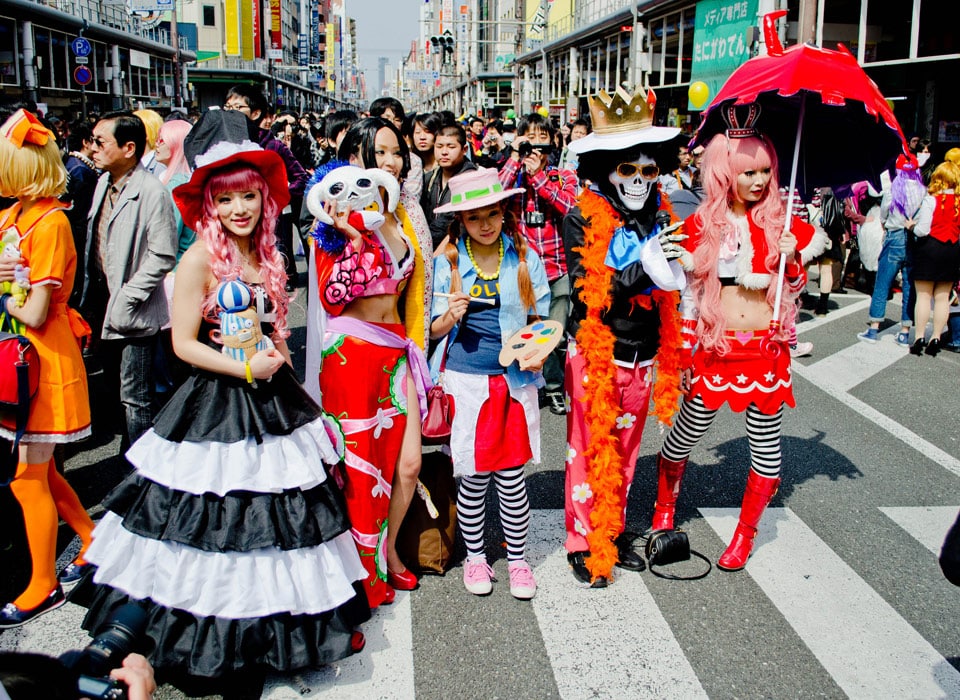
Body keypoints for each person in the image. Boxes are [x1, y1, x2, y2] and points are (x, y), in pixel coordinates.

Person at [74, 111, 370, 685]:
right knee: (208, 523)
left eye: (249, 197)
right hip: (215, 400)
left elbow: (270, 327)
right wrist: (244, 365)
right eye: (228, 198)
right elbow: (183, 345)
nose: (240, 209)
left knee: (272, 524)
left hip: (270, 396)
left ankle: (264, 632)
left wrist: (277, 351)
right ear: (209, 202)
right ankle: (183, 634)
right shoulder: (198, 260)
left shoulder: (267, 257)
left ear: (264, 199)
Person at [650, 111, 826, 572]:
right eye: (749, 171)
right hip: (715, 346)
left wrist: (793, 259)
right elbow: (682, 288)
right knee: (684, 435)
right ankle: (664, 509)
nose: (759, 180)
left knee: (766, 449)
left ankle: (745, 536)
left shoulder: (781, 223)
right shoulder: (704, 223)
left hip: (765, 349)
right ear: (725, 172)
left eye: (765, 171)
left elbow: (793, 288)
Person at [560, 86, 689, 587]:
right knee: (590, 449)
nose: (639, 180)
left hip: (642, 354)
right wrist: (648, 266)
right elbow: (593, 293)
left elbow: (671, 287)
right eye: (627, 170)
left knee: (626, 451)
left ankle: (609, 533)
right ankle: (582, 540)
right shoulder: (581, 217)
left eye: (648, 170)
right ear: (605, 170)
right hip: (598, 352)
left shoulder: (660, 216)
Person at [307, 121, 433, 610]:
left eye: (395, 152)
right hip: (351, 355)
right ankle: (364, 570)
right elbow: (338, 294)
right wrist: (349, 235)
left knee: (407, 466)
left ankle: (389, 551)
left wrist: (378, 225)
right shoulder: (327, 234)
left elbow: (405, 272)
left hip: (396, 351)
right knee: (360, 469)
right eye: (378, 152)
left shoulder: (395, 219)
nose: (389, 160)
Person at [429, 168, 550, 599]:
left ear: (503, 214)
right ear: (460, 220)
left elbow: (541, 320)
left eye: (492, 214)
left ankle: (518, 560)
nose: (485, 224)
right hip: (466, 379)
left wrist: (539, 348)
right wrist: (450, 316)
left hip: (514, 379)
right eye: (475, 216)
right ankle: (476, 557)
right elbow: (432, 329)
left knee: (513, 477)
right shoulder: (448, 261)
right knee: (474, 476)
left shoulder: (523, 255)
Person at [0, 109, 96, 627]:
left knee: (27, 477)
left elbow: (35, 310)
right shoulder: (13, 216)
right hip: (18, 358)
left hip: (43, 358)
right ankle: (91, 537)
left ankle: (44, 584)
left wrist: (4, 293)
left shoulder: (50, 221)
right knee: (40, 470)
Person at [80, 111, 177, 448]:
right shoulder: (104, 183)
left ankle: (141, 476)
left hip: (134, 312)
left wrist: (129, 296)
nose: (92, 148)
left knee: (136, 397)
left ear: (129, 148)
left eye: (100, 141)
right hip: (102, 304)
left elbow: (162, 255)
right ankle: (132, 463)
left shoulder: (151, 191)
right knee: (115, 391)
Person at [499, 111, 578, 415]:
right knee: (516, 331)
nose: (535, 145)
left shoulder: (563, 176)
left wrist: (539, 178)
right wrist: (514, 161)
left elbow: (571, 208)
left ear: (552, 142)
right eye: (529, 138)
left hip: (557, 269)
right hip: (518, 269)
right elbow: (495, 199)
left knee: (555, 335)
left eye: (541, 138)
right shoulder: (511, 173)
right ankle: (519, 387)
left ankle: (555, 388)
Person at [223, 85, 309, 292]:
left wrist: (277, 197)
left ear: (255, 113)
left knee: (266, 284)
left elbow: (300, 177)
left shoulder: (272, 145)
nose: (231, 111)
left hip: (269, 226)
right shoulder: (220, 142)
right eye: (227, 106)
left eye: (237, 106)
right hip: (231, 226)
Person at [857, 154, 925, 345]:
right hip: (913, 238)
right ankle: (904, 332)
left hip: (894, 236)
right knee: (909, 286)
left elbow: (884, 215)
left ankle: (873, 329)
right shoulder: (923, 191)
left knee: (882, 283)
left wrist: (887, 225)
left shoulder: (893, 190)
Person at [907, 161, 960, 355]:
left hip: (930, 249)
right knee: (943, 298)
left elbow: (923, 230)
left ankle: (920, 336)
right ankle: (936, 337)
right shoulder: (958, 202)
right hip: (952, 249)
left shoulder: (931, 200)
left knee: (923, 296)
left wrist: (911, 226)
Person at [421, 122, 478, 251]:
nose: (444, 152)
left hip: (461, 249)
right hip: (429, 247)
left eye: (451, 147)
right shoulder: (428, 178)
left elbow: (452, 221)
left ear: (464, 150)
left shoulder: (471, 179)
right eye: (439, 146)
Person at [60, 120, 99, 304]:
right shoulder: (81, 170)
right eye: (95, 141)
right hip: (78, 231)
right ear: (85, 142)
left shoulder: (72, 163)